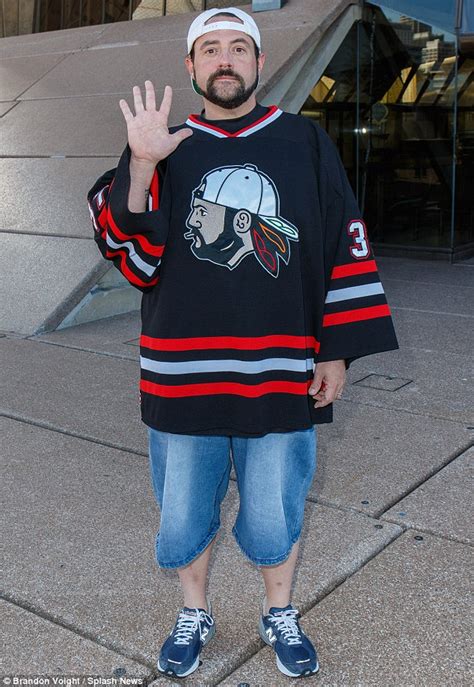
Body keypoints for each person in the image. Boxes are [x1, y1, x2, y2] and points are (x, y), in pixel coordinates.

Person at [87, 6, 398, 679]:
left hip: (280, 371)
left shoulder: (304, 143)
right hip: (180, 374)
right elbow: (134, 262)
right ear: (191, 67)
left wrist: (337, 347)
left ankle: (279, 611)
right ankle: (193, 611)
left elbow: (344, 240)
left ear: (258, 63)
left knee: (274, 509)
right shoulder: (161, 145)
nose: (225, 60)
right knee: (184, 514)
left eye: (238, 48)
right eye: (210, 50)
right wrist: (141, 166)